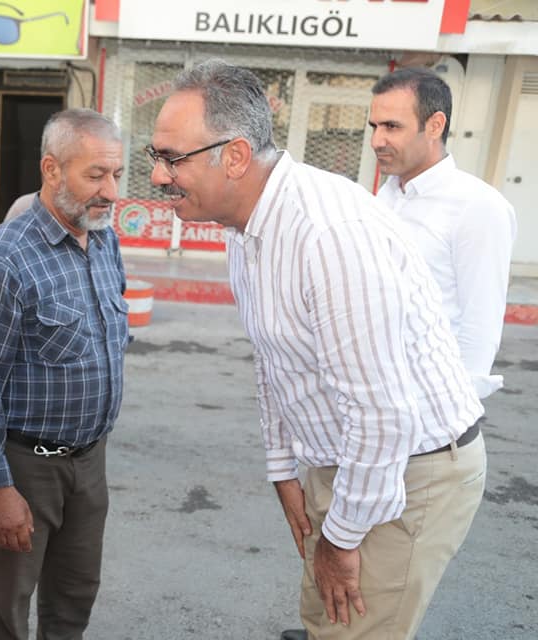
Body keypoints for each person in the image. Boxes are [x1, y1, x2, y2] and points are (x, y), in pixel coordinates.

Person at [149, 60, 486, 640]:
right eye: (156, 157)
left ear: (234, 156)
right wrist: (284, 469)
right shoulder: (245, 228)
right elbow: (276, 357)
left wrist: (341, 538)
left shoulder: (328, 235)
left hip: (407, 474)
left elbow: (383, 415)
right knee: (323, 621)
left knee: (350, 630)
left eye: (172, 159)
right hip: (349, 463)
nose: (158, 176)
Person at [0, 108, 129, 640]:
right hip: (23, 468)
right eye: (95, 175)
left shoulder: (104, 241)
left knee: (75, 596)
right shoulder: (1, 260)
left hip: (89, 461)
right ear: (52, 169)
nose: (111, 191)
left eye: (117, 174)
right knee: (8, 609)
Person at [369, 67, 517, 399]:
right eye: (374, 127)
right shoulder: (386, 196)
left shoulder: (478, 206)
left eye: (392, 126)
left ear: (435, 125)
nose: (377, 141)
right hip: (378, 399)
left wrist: (453, 409)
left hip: (431, 407)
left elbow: (480, 325)